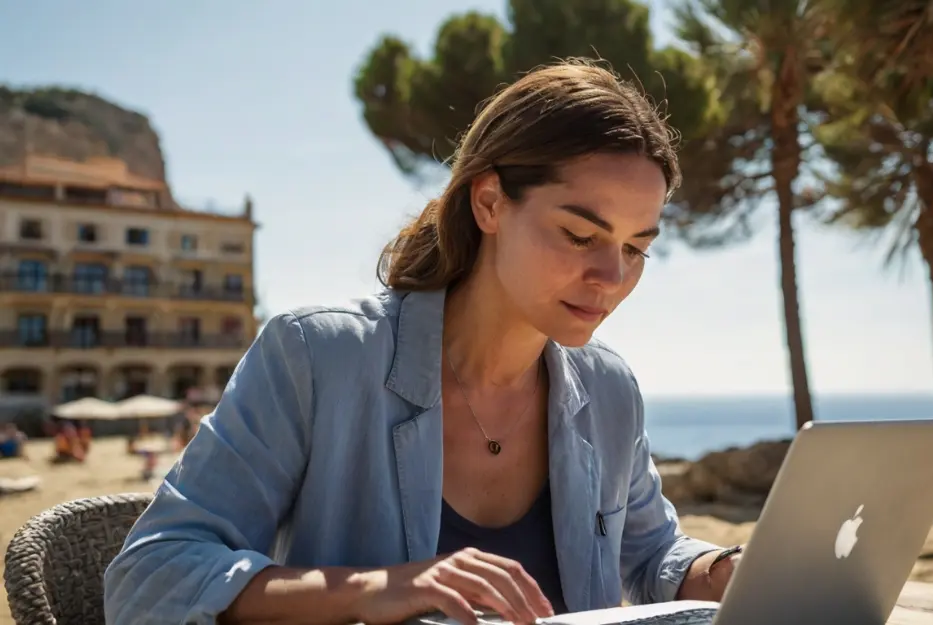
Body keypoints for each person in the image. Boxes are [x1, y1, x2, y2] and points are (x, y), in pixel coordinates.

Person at [104, 60, 743, 625]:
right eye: (580, 235)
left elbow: (653, 554)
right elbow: (150, 578)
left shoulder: (608, 389)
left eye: (636, 249)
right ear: (489, 203)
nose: (612, 278)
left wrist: (723, 569)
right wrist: (371, 588)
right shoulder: (316, 356)